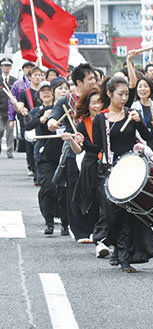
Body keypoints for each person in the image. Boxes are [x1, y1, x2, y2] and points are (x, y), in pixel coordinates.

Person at [91, 76, 153, 272]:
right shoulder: (101, 119)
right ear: (109, 94)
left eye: (126, 94)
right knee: (112, 216)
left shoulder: (132, 114)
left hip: (131, 169)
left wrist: (140, 123)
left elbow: (148, 137)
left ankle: (124, 256)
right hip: (109, 172)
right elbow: (95, 147)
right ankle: (117, 249)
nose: (124, 98)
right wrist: (76, 142)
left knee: (128, 214)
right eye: (120, 94)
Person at [47, 63, 97, 243]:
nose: (94, 82)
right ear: (78, 82)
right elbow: (53, 118)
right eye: (90, 79)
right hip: (72, 153)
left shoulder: (97, 98)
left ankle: (96, 229)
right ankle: (81, 232)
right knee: (75, 191)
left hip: (94, 151)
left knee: (95, 190)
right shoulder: (66, 101)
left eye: (94, 78)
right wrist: (52, 123)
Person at [62, 86, 111, 258]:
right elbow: (79, 150)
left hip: (109, 163)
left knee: (107, 201)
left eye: (99, 102)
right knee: (92, 200)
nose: (96, 106)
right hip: (91, 164)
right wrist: (72, 140)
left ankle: (104, 235)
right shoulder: (82, 125)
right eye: (93, 103)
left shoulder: (109, 119)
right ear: (87, 106)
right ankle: (95, 233)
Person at [25, 80, 69, 235]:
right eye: (60, 89)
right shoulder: (48, 110)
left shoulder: (71, 110)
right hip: (47, 156)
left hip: (66, 155)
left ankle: (65, 223)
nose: (63, 91)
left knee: (65, 191)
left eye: (66, 88)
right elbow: (28, 127)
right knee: (48, 188)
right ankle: (49, 223)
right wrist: (42, 118)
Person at [17, 66, 44, 184]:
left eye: (40, 75)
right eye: (35, 75)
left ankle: (39, 174)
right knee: (30, 149)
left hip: (43, 122)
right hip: (30, 122)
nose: (38, 77)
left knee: (40, 148)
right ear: (30, 77)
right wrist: (21, 108)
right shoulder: (25, 93)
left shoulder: (46, 91)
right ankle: (33, 169)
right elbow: (20, 105)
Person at [0, 57, 16, 158]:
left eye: (8, 66)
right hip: (0, 111)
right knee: (0, 130)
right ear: (1, 67)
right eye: (5, 66)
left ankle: (10, 151)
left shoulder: (14, 81)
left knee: (10, 132)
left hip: (10, 111)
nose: (6, 68)